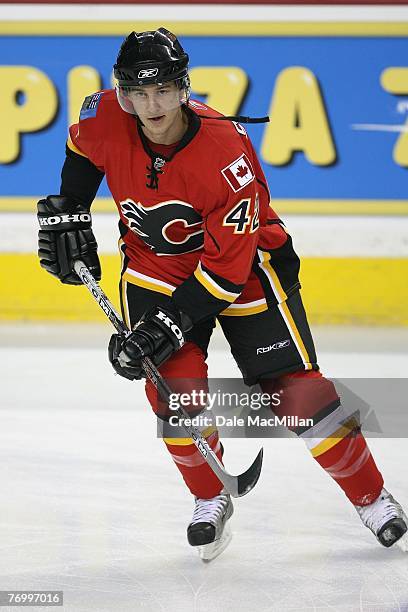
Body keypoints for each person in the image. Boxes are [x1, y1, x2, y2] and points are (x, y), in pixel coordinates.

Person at [37, 27, 407, 561]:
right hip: (155, 267)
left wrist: (165, 326)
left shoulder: (226, 154)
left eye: (162, 89)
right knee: (173, 394)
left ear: (182, 86)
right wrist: (72, 210)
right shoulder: (104, 118)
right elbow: (80, 148)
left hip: (245, 266)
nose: (151, 104)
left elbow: (224, 273)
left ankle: (372, 498)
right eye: (138, 93)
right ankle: (210, 497)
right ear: (122, 94)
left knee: (297, 392)